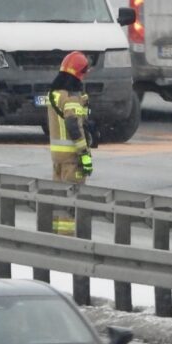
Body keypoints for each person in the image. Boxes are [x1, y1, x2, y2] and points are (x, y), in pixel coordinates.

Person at [46, 51, 94, 235]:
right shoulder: (71, 98)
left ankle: (55, 239)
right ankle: (68, 242)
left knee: (59, 200)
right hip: (72, 158)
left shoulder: (55, 95)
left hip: (57, 157)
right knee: (71, 202)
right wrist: (85, 155)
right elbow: (74, 126)